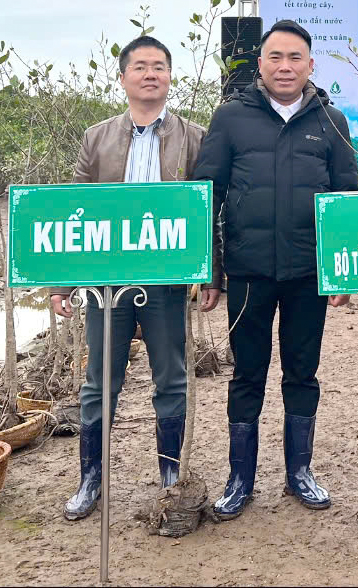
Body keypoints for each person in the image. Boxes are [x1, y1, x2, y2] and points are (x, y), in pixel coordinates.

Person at [193, 19, 358, 519]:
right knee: (247, 373)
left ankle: (299, 472)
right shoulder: (230, 117)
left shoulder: (332, 121)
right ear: (260, 64)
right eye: (276, 57)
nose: (285, 67)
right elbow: (207, 196)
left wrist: (342, 272)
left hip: (309, 273)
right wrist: (211, 270)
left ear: (310, 65)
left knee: (302, 372)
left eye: (295, 58)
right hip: (249, 272)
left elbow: (345, 201)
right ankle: (239, 478)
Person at [51, 35, 221, 521]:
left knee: (171, 377)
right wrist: (63, 284)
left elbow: (208, 211)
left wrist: (212, 272)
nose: (151, 74)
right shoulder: (97, 137)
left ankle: (170, 476)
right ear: (123, 77)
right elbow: (75, 211)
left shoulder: (195, 137)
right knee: (100, 382)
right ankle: (91, 479)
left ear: (170, 76)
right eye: (141, 66)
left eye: (159, 66)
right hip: (108, 284)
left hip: (166, 281)